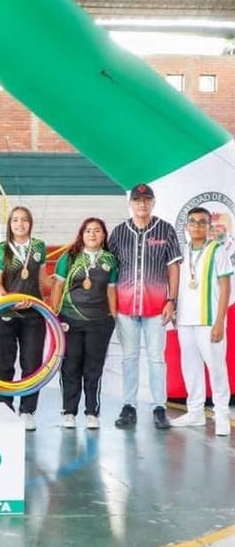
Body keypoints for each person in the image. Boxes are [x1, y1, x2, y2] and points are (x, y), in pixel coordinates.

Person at [108, 183, 181, 430]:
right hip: (126, 307)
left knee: (156, 358)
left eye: (146, 199)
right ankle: (128, 406)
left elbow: (173, 267)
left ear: (153, 202)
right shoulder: (118, 233)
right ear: (130, 203)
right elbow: (110, 271)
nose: (142, 204)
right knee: (129, 358)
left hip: (156, 307)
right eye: (138, 200)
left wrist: (172, 301)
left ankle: (159, 407)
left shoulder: (166, 230)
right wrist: (111, 305)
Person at [51, 218, 118, 429]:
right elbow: (57, 287)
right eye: (88, 231)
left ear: (104, 236)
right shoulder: (69, 258)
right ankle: (69, 412)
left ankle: (92, 412)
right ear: (82, 234)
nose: (92, 234)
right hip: (70, 320)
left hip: (99, 321)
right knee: (70, 366)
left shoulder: (110, 260)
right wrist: (55, 314)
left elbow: (111, 289)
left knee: (93, 368)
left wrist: (113, 316)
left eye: (97, 231)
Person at [171, 207, 232, 435]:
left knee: (216, 368)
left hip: (209, 320)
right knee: (191, 367)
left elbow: (226, 287)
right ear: (187, 226)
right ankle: (195, 411)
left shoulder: (217, 250)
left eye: (202, 222)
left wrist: (219, 322)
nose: (197, 226)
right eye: (193, 222)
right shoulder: (181, 251)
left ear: (209, 226)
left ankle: (222, 414)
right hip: (185, 321)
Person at [0, 206, 49, 431]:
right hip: (6, 312)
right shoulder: (1, 249)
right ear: (10, 224)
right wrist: (8, 300)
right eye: (15, 220)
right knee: (4, 364)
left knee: (31, 363)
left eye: (24, 220)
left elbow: (43, 279)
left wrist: (62, 289)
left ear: (30, 223)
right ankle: (4, 407)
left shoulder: (39, 247)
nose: (20, 224)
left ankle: (27, 410)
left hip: (34, 313)